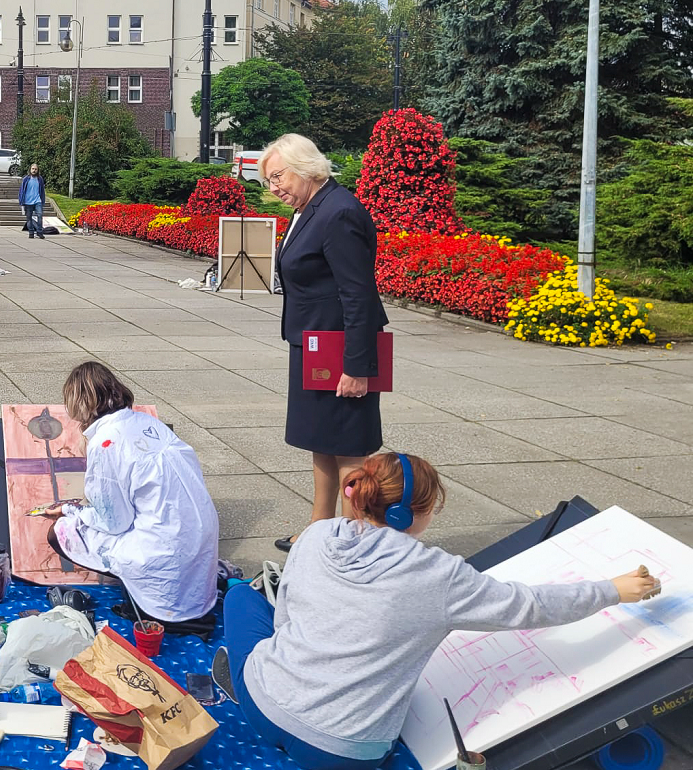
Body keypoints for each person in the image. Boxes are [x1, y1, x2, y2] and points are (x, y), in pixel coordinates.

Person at [219, 452, 660, 770]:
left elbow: (286, 617)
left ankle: (248, 681)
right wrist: (613, 590)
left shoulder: (316, 535)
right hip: (343, 752)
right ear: (415, 513)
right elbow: (531, 606)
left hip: (263, 704)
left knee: (240, 597)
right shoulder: (440, 576)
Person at [263, 133, 389, 553]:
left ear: (305, 166)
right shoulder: (310, 208)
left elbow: (358, 293)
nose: (273, 187)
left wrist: (357, 365)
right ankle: (320, 526)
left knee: (349, 447)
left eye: (277, 176)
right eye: (267, 180)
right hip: (313, 342)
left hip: (341, 348)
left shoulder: (339, 211)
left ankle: (357, 538)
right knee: (321, 439)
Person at [44, 361, 220, 633]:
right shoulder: (147, 422)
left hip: (164, 552)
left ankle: (151, 606)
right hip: (198, 543)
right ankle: (145, 593)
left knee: (59, 532)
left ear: (78, 404)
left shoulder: (106, 443)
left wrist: (70, 511)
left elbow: (114, 522)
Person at [19, 163, 46, 238]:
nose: (34, 170)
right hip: (27, 202)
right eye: (33, 169)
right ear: (30, 170)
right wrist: (21, 202)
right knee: (29, 218)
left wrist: (42, 200)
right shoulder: (26, 179)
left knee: (40, 215)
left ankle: (39, 232)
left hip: (37, 201)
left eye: (35, 169)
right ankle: (31, 232)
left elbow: (42, 191)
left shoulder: (40, 179)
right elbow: (21, 191)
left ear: (38, 170)